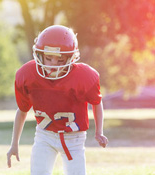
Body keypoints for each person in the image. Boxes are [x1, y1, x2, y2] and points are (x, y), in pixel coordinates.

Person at [6, 25, 109, 175]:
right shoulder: (27, 75)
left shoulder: (84, 76)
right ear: (40, 55)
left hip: (74, 138)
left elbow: (96, 102)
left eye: (60, 60)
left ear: (71, 58)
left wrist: (99, 131)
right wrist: (14, 144)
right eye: (48, 58)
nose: (53, 64)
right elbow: (22, 111)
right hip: (45, 135)